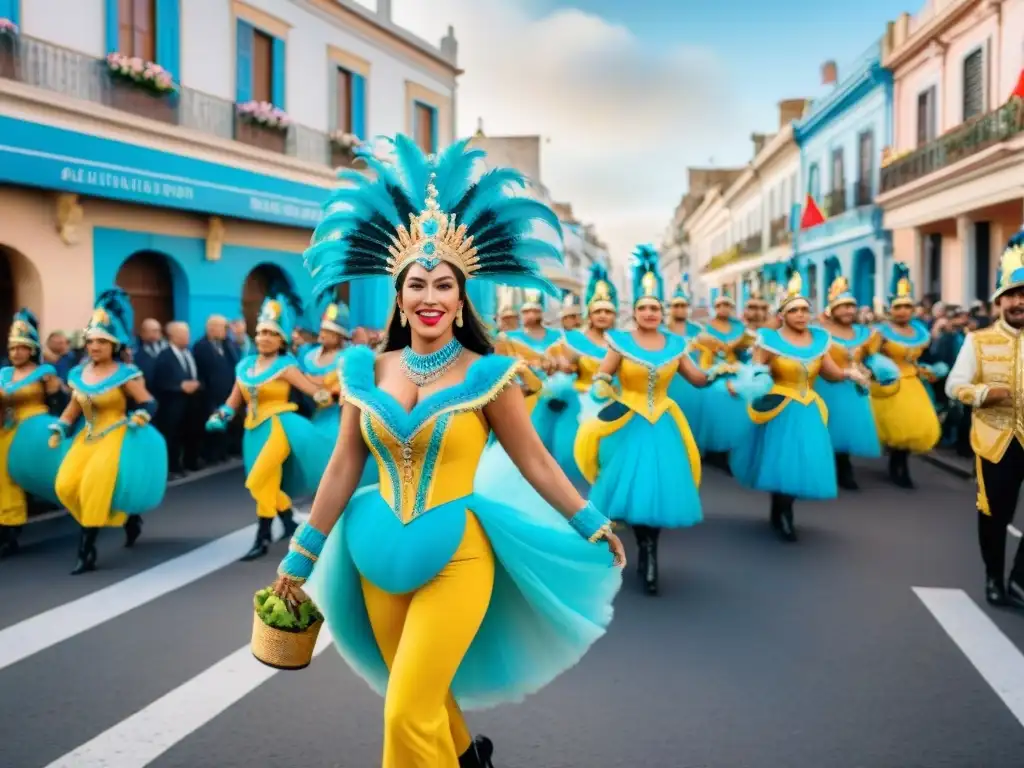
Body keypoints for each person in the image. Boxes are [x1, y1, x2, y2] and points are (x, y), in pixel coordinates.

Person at [275, 135, 625, 768]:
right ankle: (471, 761)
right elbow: (343, 464)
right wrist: (300, 558)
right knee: (426, 701)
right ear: (400, 297)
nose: (430, 296)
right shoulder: (366, 370)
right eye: (417, 284)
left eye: (443, 285)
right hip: (372, 553)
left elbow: (536, 461)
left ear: (461, 300)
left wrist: (588, 518)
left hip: (459, 557)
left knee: (405, 711)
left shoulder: (490, 374)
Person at [574, 244, 718, 594]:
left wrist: (718, 373)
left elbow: (696, 379)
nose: (650, 312)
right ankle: (642, 545)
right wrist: (603, 385)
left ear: (663, 312)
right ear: (634, 312)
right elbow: (603, 375)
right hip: (628, 421)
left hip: (664, 423)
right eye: (644, 308)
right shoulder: (620, 343)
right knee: (631, 488)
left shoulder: (676, 345)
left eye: (655, 308)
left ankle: (650, 551)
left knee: (661, 487)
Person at [729, 268, 870, 541]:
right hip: (779, 407)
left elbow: (830, 371)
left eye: (805, 310)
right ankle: (782, 512)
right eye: (795, 311)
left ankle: (786, 507)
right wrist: (751, 382)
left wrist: (851, 374)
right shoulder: (768, 340)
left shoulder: (819, 340)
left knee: (801, 460)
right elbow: (755, 369)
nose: (802, 315)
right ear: (783, 315)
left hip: (808, 408)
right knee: (780, 460)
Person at [206, 295, 335, 561]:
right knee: (263, 483)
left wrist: (339, 393)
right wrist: (221, 415)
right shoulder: (244, 366)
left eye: (271, 333)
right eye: (261, 332)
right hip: (252, 431)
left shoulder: (286, 366)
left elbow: (313, 391)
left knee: (258, 479)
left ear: (281, 340)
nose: (264, 337)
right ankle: (287, 519)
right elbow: (233, 400)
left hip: (279, 426)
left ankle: (262, 537)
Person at [49, 289, 168, 574]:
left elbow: (148, 401)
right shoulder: (78, 374)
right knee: (64, 485)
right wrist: (61, 428)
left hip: (115, 434)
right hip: (86, 436)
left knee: (95, 487)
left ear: (113, 344)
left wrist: (141, 414)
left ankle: (86, 551)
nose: (95, 346)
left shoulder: (125, 373)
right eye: (91, 341)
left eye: (101, 341)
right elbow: (74, 407)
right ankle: (128, 518)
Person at [946, 230, 1024, 607]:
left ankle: (1020, 578)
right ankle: (994, 576)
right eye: (1011, 295)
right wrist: (981, 394)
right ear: (999, 302)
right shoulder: (977, 341)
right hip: (996, 440)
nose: (1019, 301)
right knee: (995, 515)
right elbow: (953, 385)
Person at [815, 273, 898, 490]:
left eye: (851, 307)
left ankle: (844, 468)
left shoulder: (865, 333)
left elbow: (871, 358)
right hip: (826, 386)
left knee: (847, 429)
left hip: (853, 389)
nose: (848, 311)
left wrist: (883, 370)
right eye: (842, 307)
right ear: (832, 309)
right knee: (826, 428)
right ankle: (828, 467)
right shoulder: (819, 333)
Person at [869, 263, 945, 488]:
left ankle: (901, 465)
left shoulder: (919, 332)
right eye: (898, 306)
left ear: (912, 310)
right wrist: (880, 368)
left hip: (913, 384)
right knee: (897, 428)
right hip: (891, 385)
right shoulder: (881, 332)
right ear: (890, 309)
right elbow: (869, 356)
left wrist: (929, 370)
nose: (902, 311)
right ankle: (896, 466)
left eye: (906, 306)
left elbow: (921, 358)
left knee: (912, 427)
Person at [0, 309, 66, 557]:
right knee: (4, 480)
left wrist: (56, 390)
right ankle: (9, 529)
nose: (16, 352)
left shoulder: (44, 372)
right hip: (7, 432)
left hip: (35, 429)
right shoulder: (3, 375)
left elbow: (59, 404)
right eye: (12, 348)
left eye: (21, 347)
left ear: (31, 350)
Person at [691, 291, 752, 469]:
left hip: (736, 369)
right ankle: (715, 450)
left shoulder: (739, 328)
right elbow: (700, 350)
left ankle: (737, 447)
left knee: (742, 398)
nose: (723, 309)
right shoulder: (705, 328)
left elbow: (746, 350)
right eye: (720, 305)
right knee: (715, 396)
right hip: (711, 368)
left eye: (727, 305)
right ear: (715, 307)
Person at [665, 275, 706, 451]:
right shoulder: (662, 330)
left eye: (683, 306)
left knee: (693, 416)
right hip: (669, 380)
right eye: (676, 306)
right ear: (670, 309)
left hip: (692, 377)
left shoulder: (698, 330)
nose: (680, 309)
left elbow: (709, 352)